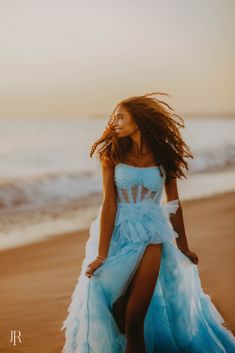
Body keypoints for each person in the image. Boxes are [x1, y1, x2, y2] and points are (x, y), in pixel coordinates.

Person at [61, 92, 235, 353]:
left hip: (154, 234)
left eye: (121, 116)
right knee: (116, 312)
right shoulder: (112, 155)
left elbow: (174, 205)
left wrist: (183, 246)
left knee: (135, 319)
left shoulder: (165, 157)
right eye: (114, 117)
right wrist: (101, 255)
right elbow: (110, 204)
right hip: (118, 234)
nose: (114, 122)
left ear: (139, 120)